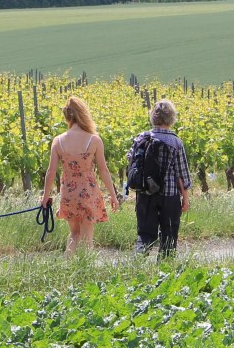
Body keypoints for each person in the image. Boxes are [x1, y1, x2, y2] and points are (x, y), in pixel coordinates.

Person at [41, 96, 121, 254]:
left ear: (67, 116)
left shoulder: (58, 141)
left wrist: (45, 197)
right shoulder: (94, 140)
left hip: (68, 193)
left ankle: (68, 267)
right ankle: (87, 271)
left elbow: (51, 172)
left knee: (74, 234)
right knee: (87, 237)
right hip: (88, 192)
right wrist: (113, 196)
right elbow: (103, 170)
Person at [131, 99, 191, 257]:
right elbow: (182, 174)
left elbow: (132, 163)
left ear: (153, 117)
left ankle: (135, 266)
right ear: (171, 118)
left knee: (145, 235)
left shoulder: (141, 138)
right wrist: (185, 198)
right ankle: (165, 272)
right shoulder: (176, 142)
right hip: (169, 195)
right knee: (169, 235)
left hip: (145, 194)